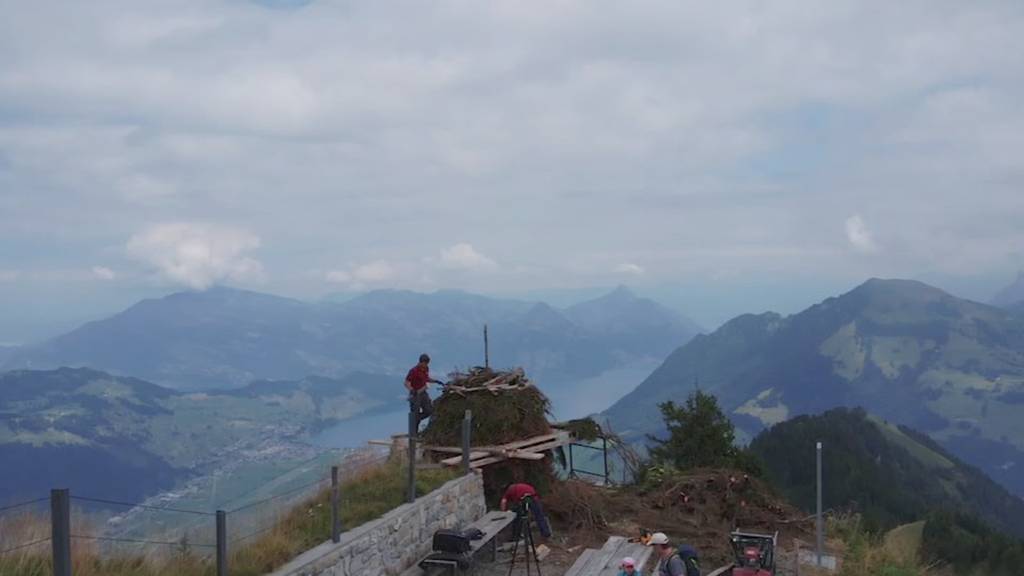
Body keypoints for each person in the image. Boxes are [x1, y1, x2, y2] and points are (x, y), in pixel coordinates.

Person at [405, 353, 443, 433]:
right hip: (415, 394)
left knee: (429, 410)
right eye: (425, 363)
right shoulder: (413, 371)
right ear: (421, 362)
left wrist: (435, 381)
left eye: (427, 364)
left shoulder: (426, 369)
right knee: (415, 413)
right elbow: (406, 382)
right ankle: (414, 434)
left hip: (423, 393)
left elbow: (426, 379)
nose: (426, 365)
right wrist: (411, 389)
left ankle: (417, 418)